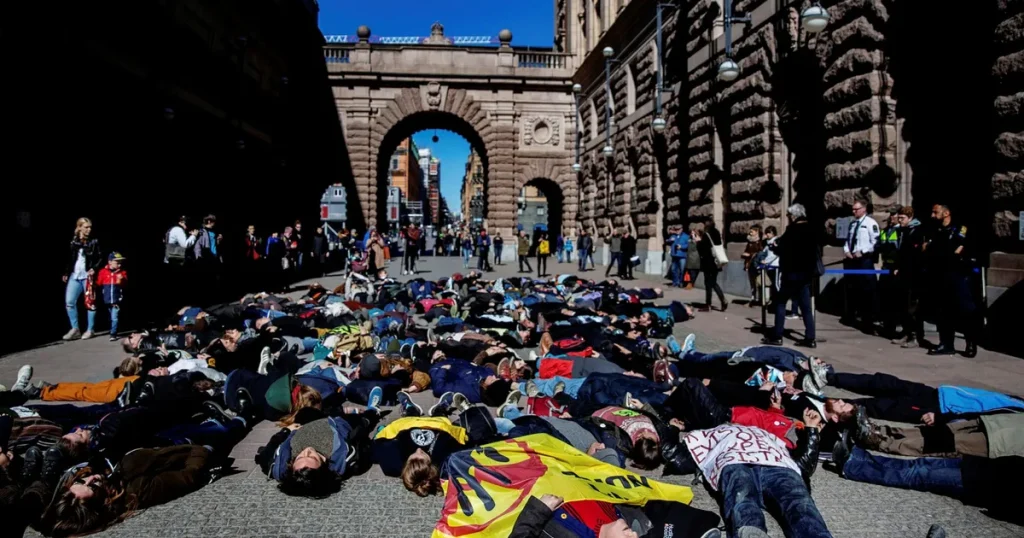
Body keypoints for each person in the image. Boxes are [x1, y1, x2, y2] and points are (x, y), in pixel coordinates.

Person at [923, 203, 978, 358]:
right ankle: (946, 344)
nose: (932, 215)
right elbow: (927, 249)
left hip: (958, 274)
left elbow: (957, 250)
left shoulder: (960, 229)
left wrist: (941, 252)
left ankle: (971, 342)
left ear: (946, 213)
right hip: (940, 275)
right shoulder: (935, 230)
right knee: (943, 311)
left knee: (965, 310)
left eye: (935, 212)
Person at [764, 203, 819, 348]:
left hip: (791, 274)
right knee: (806, 308)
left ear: (794, 216)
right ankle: (810, 338)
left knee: (780, 302)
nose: (788, 217)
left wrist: (775, 247)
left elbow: (783, 249)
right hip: (805, 274)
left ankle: (777, 335)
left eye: (789, 215)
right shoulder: (811, 229)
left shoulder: (792, 230)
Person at [842, 197, 880, 333]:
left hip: (864, 261)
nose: (853, 211)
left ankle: (868, 321)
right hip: (852, 261)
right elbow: (848, 240)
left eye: (856, 209)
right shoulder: (853, 224)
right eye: (853, 209)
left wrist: (863, 252)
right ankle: (853, 316)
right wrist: (847, 251)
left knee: (867, 291)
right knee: (853, 290)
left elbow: (875, 242)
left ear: (863, 209)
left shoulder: (870, 223)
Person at [63, 217, 102, 341]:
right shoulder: (73, 241)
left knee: (90, 303)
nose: (88, 229)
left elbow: (100, 257)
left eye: (90, 227)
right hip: (75, 274)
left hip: (87, 275)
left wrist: (94, 268)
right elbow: (69, 258)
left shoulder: (94, 241)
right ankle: (75, 329)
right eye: (86, 227)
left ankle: (90, 329)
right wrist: (66, 272)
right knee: (69, 302)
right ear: (79, 227)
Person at [892, 206, 926, 348]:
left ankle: (916, 336)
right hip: (904, 273)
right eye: (899, 218)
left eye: (903, 218)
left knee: (913, 308)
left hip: (914, 274)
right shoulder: (903, 231)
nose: (900, 220)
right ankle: (907, 332)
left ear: (910, 217)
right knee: (903, 306)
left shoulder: (917, 231)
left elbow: (915, 254)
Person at [878, 208, 902, 337]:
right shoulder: (886, 230)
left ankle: (894, 324)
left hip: (895, 267)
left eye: (895, 214)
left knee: (894, 298)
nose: (892, 217)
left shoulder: (901, 231)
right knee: (885, 296)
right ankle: (887, 325)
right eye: (891, 214)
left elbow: (899, 250)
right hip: (886, 266)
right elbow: (880, 246)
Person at [95, 252, 128, 341]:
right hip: (107, 299)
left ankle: (113, 334)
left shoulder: (122, 272)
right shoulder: (103, 272)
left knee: (114, 317)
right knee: (111, 317)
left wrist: (122, 279)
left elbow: (125, 284)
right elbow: (98, 283)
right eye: (117, 262)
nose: (119, 264)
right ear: (110, 262)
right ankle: (114, 329)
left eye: (120, 262)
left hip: (117, 299)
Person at [695, 222, 727, 312]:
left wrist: (698, 242)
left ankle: (721, 300)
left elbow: (703, 249)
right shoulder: (717, 233)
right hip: (716, 262)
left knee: (710, 283)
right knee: (711, 282)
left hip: (708, 263)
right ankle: (709, 304)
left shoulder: (706, 234)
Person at [741, 225, 763, 304]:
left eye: (752, 231)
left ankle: (761, 298)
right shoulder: (749, 242)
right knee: (752, 282)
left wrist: (750, 255)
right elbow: (746, 250)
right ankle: (753, 297)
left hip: (757, 264)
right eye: (750, 231)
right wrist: (744, 255)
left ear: (757, 232)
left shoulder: (760, 242)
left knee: (759, 282)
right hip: (749, 264)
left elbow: (760, 253)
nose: (750, 233)